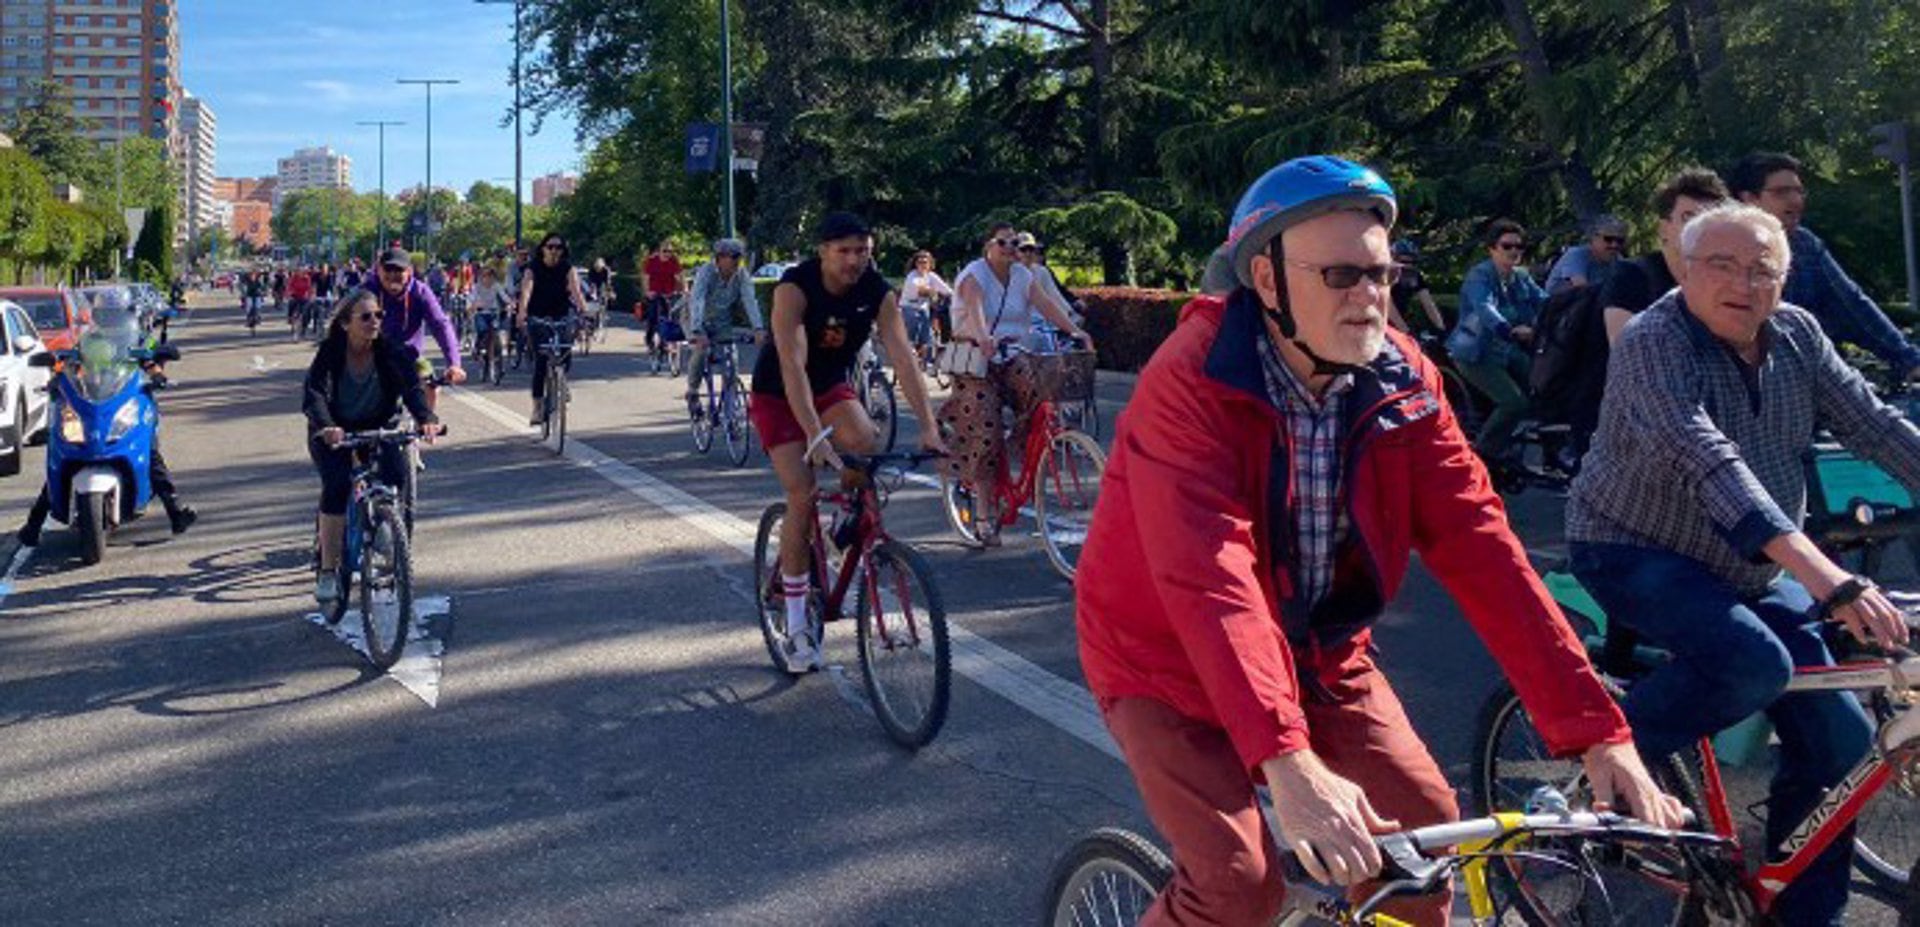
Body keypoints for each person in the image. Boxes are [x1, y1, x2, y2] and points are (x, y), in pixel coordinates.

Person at [1076, 155, 1684, 927]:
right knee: (1239, 884)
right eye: (1340, 276)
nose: (1370, 297)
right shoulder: (1190, 381)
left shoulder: (1404, 380)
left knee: (1420, 856)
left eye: (1382, 274)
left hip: (1322, 659)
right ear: (1267, 281)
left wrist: (1598, 731)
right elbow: (1210, 579)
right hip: (1164, 662)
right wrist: (1289, 764)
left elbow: (1485, 549)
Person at [1569, 201, 1915, 926]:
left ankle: (1795, 909)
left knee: (1843, 742)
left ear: (1785, 279)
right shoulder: (1655, 340)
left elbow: (1874, 423)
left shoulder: (1796, 334)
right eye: (1720, 264)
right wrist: (1830, 578)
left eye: (1763, 269)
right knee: (1753, 662)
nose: (1743, 283)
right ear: (1683, 270)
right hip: (1632, 547)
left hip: (1746, 566)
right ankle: (1603, 766)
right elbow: (1709, 460)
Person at [749, 213, 945, 672]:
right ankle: (796, 624)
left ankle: (846, 520)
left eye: (863, 250)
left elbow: (902, 354)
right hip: (779, 391)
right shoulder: (794, 289)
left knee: (867, 442)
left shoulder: (877, 291)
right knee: (802, 491)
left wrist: (929, 426)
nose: (855, 260)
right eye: (844, 251)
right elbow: (793, 365)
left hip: (831, 384)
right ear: (823, 251)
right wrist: (814, 434)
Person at [936, 221, 1093, 545]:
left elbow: (1046, 305)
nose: (1010, 249)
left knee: (1040, 394)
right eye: (1003, 243)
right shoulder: (974, 275)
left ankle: (1019, 450)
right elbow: (975, 307)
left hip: (1010, 353)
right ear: (988, 247)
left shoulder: (1024, 276)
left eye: (1015, 243)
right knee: (986, 425)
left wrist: (1075, 330)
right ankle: (982, 507)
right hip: (971, 357)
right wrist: (981, 336)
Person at [16, 299, 197, 547]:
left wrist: (158, 375)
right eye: (105, 314)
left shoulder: (139, 340)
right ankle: (33, 525)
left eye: (114, 315)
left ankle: (176, 513)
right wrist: (58, 376)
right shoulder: (87, 341)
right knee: (61, 458)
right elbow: (71, 364)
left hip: (126, 402)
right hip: (90, 403)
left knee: (150, 456)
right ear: (97, 316)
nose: (110, 320)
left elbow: (150, 361)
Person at [302, 288, 444, 604]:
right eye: (365, 316)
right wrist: (327, 427)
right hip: (333, 431)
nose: (374, 321)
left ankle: (383, 524)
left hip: (377, 426)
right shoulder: (330, 352)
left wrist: (425, 417)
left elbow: (410, 386)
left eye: (378, 315)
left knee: (396, 475)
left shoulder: (388, 350)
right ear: (345, 324)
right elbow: (314, 393)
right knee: (337, 485)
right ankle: (327, 570)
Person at [1730, 151, 1920, 380]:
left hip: (1808, 377)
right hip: (1740, 379)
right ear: (1749, 199)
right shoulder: (1718, 249)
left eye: (1799, 191)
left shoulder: (1804, 245)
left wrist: (1908, 361)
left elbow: (1852, 305)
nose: (1795, 200)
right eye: (1781, 192)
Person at [1447, 219, 1547, 469]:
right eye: (1507, 246)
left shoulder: (1521, 277)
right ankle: (1483, 455)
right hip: (1475, 354)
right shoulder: (1479, 276)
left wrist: (1571, 305)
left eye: (1519, 246)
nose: (1514, 251)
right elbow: (1485, 308)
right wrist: (1509, 330)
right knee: (1514, 403)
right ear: (1492, 248)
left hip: (1505, 350)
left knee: (1544, 382)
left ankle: (1519, 441)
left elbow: (1545, 301)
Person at [1601, 168, 1729, 343]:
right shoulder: (1631, 276)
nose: (1701, 228)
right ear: (1664, 229)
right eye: (1689, 218)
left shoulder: (1725, 279)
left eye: (1711, 220)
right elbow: (1625, 351)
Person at [370, 247, 466, 403]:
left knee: (430, 386)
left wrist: (454, 363)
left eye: (399, 270)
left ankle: (426, 424)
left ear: (409, 271)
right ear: (379, 270)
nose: (393, 275)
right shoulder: (367, 291)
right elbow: (344, 320)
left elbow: (440, 325)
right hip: (371, 354)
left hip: (410, 355)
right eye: (388, 269)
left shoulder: (420, 292)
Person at [684, 239, 765, 415]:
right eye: (734, 257)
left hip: (721, 321)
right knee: (701, 349)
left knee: (731, 357)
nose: (738, 261)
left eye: (740, 257)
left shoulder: (741, 275)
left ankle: (730, 404)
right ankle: (692, 392)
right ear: (720, 257)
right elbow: (697, 300)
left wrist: (758, 328)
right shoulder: (706, 272)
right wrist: (697, 331)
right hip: (694, 317)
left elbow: (750, 300)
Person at [516, 233, 590, 425]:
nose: (554, 251)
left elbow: (575, 290)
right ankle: (537, 407)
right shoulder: (533, 268)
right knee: (541, 360)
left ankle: (562, 381)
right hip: (537, 315)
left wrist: (584, 310)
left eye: (559, 247)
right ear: (543, 248)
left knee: (565, 351)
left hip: (561, 314)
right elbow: (526, 290)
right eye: (551, 247)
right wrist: (522, 312)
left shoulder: (567, 268)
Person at [1543, 214, 1629, 296]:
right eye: (1608, 239)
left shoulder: (1618, 260)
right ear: (1593, 238)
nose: (1614, 245)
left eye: (1620, 241)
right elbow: (1582, 290)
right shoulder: (1576, 255)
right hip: (1560, 308)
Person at [901, 250, 954, 362]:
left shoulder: (931, 276)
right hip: (909, 308)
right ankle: (910, 351)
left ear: (930, 264)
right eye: (920, 262)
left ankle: (928, 362)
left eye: (925, 262)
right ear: (915, 264)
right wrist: (934, 293)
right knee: (913, 328)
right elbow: (921, 290)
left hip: (924, 310)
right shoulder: (912, 276)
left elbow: (946, 289)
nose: (922, 265)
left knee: (929, 338)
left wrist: (955, 296)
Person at [1386, 239, 1445, 334]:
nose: (1408, 266)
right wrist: (1405, 330)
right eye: (1404, 261)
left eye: (1413, 262)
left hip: (1400, 323)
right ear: (1393, 259)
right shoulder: (1385, 274)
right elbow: (1387, 303)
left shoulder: (1415, 276)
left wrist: (1441, 328)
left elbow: (1428, 303)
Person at [642, 240, 684, 352]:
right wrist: (647, 291)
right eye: (665, 251)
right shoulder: (652, 261)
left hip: (669, 292)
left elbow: (680, 276)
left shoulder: (674, 261)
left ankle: (666, 341)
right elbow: (646, 278)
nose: (667, 254)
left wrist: (684, 290)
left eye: (670, 251)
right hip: (655, 292)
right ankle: (649, 339)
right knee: (652, 316)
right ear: (659, 251)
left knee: (671, 316)